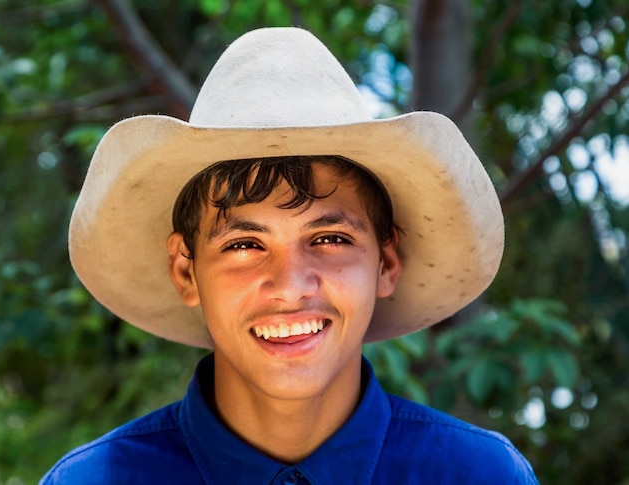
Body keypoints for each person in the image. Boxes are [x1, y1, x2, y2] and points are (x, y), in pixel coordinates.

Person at [40, 27, 538, 484]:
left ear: (386, 262)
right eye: (243, 245)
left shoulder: (479, 474)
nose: (291, 285)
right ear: (185, 271)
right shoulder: (95, 480)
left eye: (330, 240)